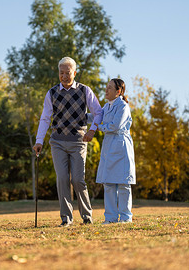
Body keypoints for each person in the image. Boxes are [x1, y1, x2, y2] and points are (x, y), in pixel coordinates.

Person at [33, 57, 103, 227]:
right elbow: (45, 118)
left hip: (78, 141)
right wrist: (39, 141)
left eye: (67, 72)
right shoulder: (51, 93)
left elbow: (99, 112)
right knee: (62, 178)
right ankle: (66, 218)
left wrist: (92, 129)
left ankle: (87, 216)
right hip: (57, 141)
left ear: (74, 73)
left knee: (78, 180)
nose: (64, 76)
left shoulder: (84, 91)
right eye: (61, 73)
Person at [95, 78, 135, 224]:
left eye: (110, 88)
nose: (106, 90)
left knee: (124, 184)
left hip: (121, 145)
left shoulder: (123, 106)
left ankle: (125, 217)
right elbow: (96, 117)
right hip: (108, 146)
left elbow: (115, 126)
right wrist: (81, 118)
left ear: (118, 91)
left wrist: (97, 128)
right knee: (109, 183)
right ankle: (110, 218)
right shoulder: (106, 106)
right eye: (106, 87)